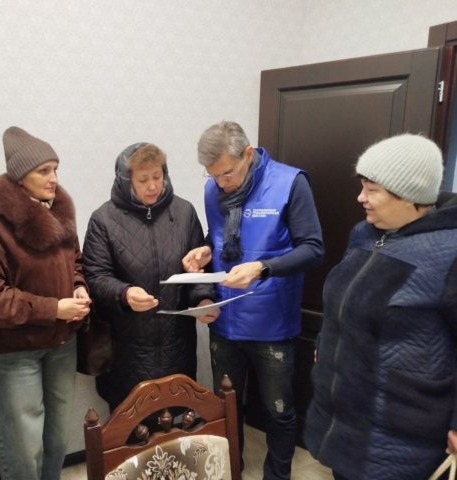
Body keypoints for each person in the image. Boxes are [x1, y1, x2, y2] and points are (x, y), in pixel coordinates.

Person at [304, 134, 457, 480]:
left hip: (400, 432)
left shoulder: (450, 250)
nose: (361, 198)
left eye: (372, 189)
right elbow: (344, 303)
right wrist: (324, 345)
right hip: (343, 422)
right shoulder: (364, 233)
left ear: (409, 195)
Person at [183, 121, 324, 479]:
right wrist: (204, 249)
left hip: (272, 322)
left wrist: (262, 268)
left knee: (278, 411)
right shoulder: (214, 189)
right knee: (226, 407)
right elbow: (220, 236)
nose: (220, 183)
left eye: (226, 173)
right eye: (212, 175)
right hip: (224, 319)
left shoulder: (290, 182)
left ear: (248, 154)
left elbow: (313, 249)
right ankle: (231, 470)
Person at [0, 126, 90, 480]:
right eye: (43, 171)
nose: (54, 179)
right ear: (20, 177)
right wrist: (53, 309)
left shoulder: (60, 209)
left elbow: (75, 261)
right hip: (13, 352)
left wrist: (79, 286)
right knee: (22, 447)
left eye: (55, 169)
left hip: (61, 344)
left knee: (56, 439)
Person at [82, 143, 216, 414]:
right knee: (130, 424)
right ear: (126, 180)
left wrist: (203, 299)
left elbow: (197, 268)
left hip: (177, 343)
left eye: (158, 176)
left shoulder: (184, 213)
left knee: (176, 422)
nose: (153, 186)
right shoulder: (103, 220)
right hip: (126, 347)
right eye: (143, 179)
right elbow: (95, 276)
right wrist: (124, 293)